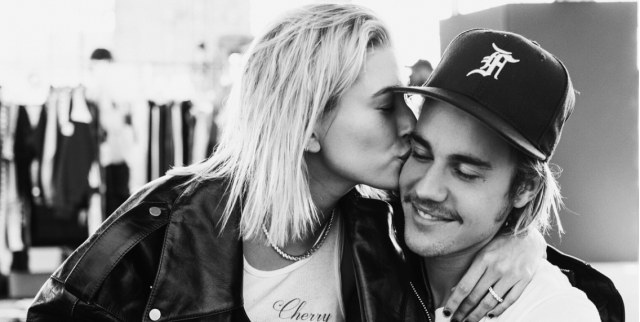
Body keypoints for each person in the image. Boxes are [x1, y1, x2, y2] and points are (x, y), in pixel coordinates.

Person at [27, 6, 545, 322]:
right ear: (309, 125)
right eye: (387, 104)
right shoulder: (163, 226)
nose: (410, 126)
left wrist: (525, 241)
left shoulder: (383, 223)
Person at [393, 29, 601, 321]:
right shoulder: (365, 245)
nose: (427, 189)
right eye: (420, 153)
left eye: (465, 172)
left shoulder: (554, 311)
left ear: (524, 188)